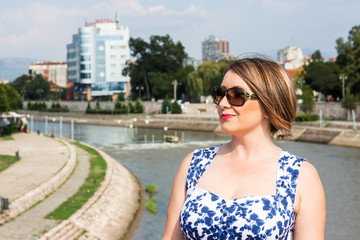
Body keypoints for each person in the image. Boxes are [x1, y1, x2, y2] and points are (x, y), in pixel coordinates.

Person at [163, 57, 326, 240]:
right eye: (220, 93)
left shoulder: (301, 176)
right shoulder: (194, 164)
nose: (223, 103)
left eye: (236, 95)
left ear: (269, 104)